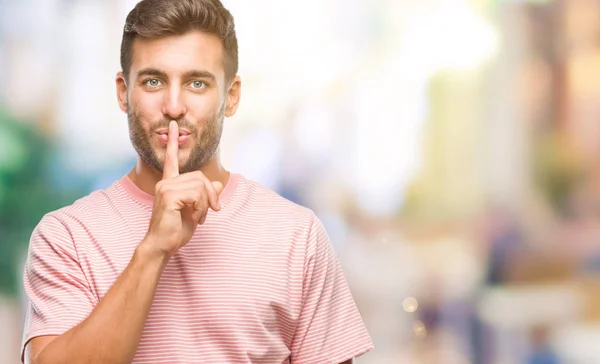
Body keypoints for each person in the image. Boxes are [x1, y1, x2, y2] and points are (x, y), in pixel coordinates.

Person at [20, 0, 373, 363]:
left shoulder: (298, 236)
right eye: (153, 81)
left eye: (197, 82)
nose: (174, 105)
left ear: (231, 96)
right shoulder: (66, 236)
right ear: (123, 92)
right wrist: (154, 249)